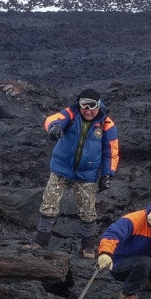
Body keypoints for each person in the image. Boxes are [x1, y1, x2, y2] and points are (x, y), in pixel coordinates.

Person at [35, 89, 119, 257]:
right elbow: (53, 119)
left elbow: (111, 151)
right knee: (49, 204)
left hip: (87, 174)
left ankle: (88, 247)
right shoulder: (71, 114)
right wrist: (54, 127)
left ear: (99, 105)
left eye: (92, 107)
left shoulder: (106, 124)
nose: (88, 111)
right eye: (84, 106)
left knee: (88, 210)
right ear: (79, 105)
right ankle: (40, 242)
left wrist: (107, 174)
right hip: (61, 168)